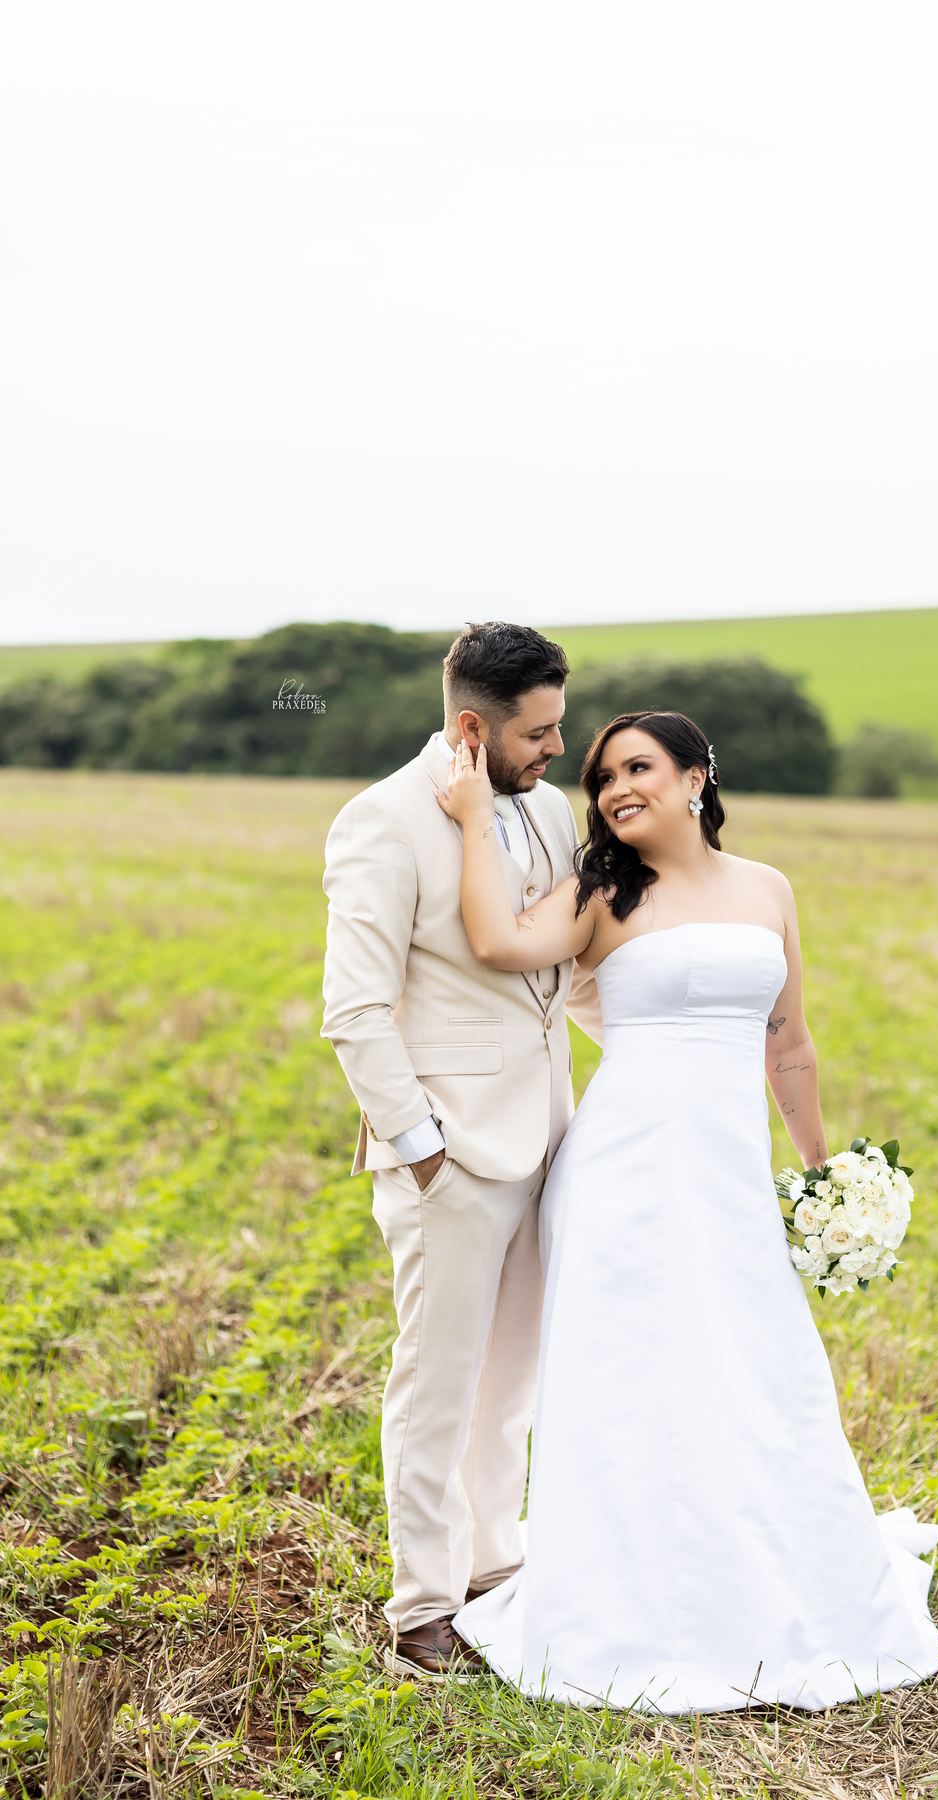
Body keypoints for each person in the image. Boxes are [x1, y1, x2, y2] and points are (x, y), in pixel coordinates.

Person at [439, 709, 938, 1713]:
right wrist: (469, 820)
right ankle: (626, 1595)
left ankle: (765, 1570)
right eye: (601, 777)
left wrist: (823, 1173)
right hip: (621, 1172)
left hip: (729, 1175)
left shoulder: (767, 889)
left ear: (695, 777)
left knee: (757, 1361)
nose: (616, 788)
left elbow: (788, 1042)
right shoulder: (600, 891)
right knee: (628, 1371)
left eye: (638, 767)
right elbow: (497, 942)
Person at [320, 621, 603, 1679]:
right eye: (539, 733)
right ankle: (423, 1608)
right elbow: (354, 1009)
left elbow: (558, 972)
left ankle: (493, 1566)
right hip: (449, 1153)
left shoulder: (548, 810)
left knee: (512, 1378)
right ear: (474, 728)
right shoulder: (381, 821)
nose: (559, 749)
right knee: (436, 1384)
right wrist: (420, 1147)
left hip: (548, 1137)